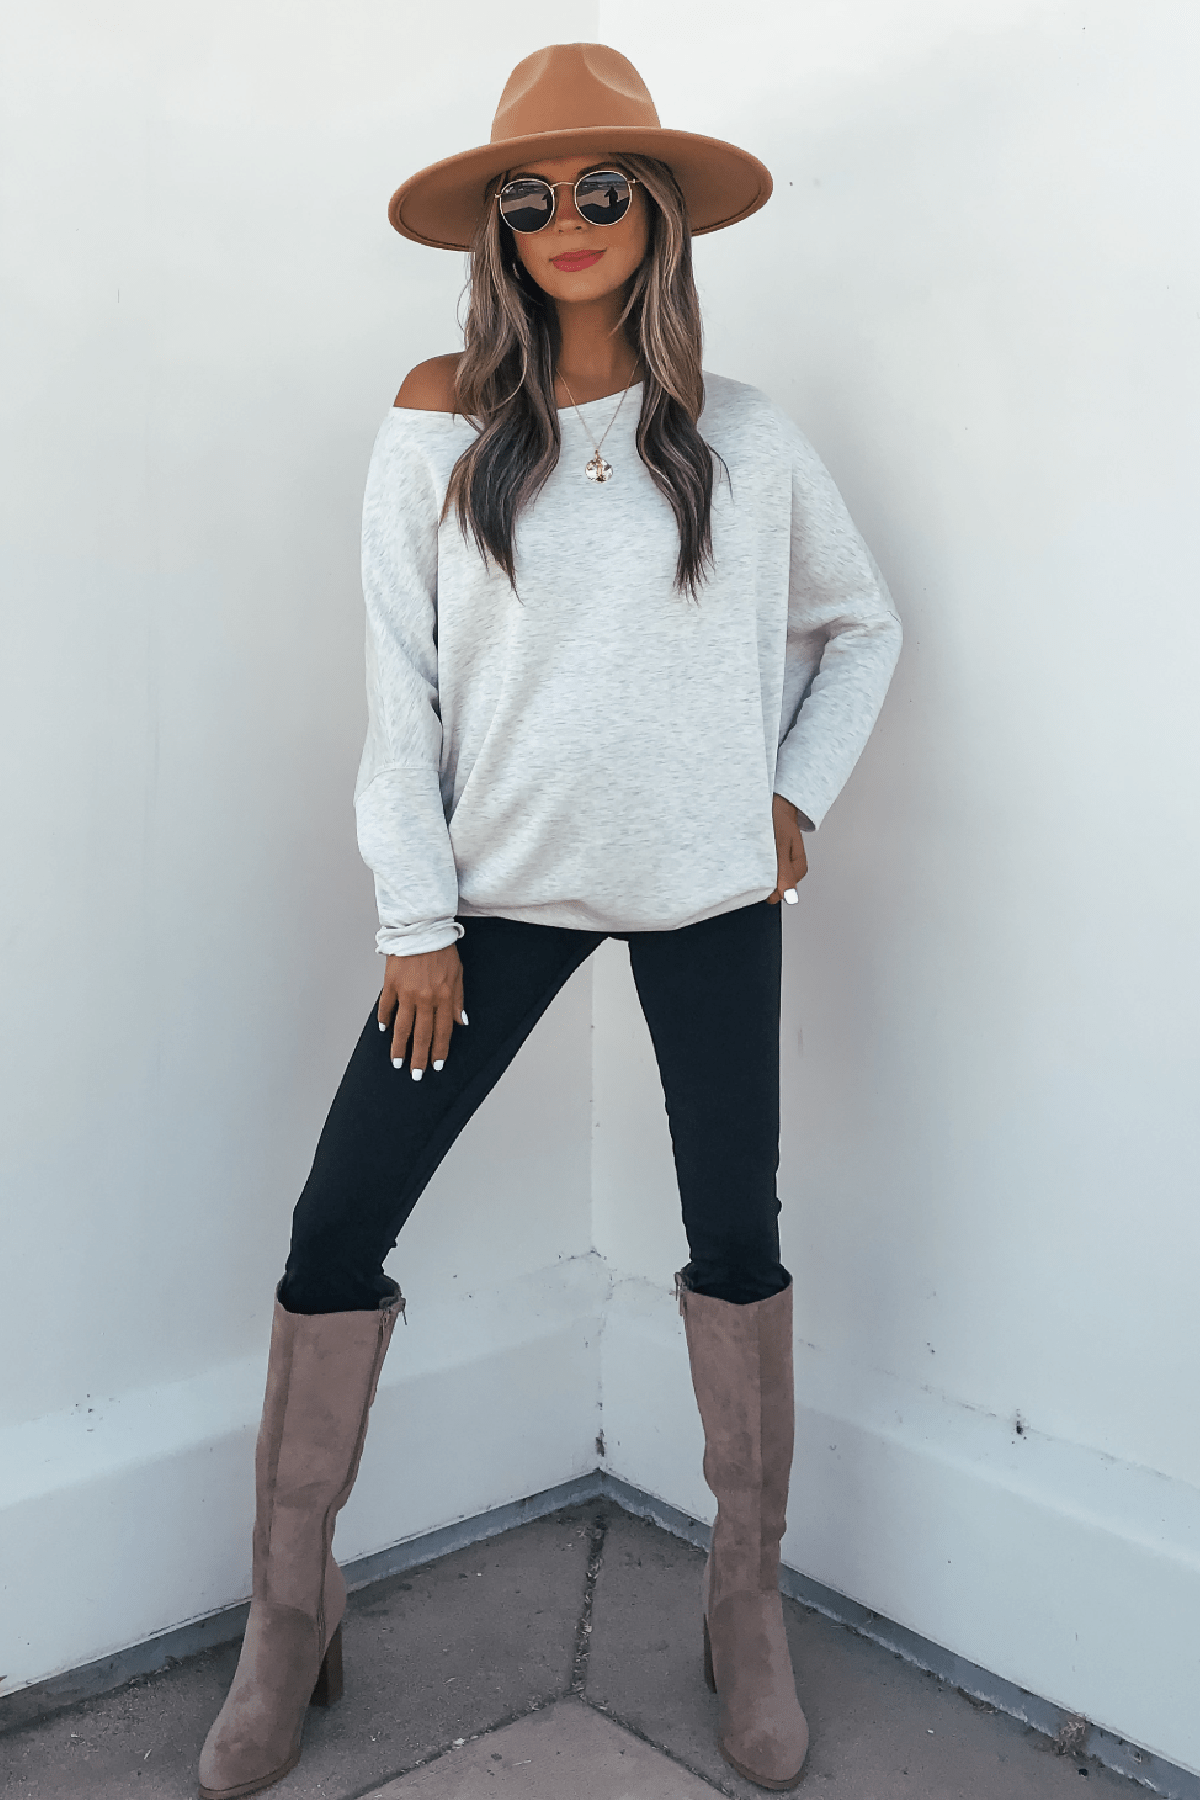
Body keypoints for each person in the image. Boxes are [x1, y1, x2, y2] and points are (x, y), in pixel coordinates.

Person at [198, 42, 902, 1800]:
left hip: (706, 895)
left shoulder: (743, 435)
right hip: (489, 898)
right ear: (496, 233)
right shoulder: (441, 412)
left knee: (734, 1233)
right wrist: (413, 913)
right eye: (532, 198)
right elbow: (403, 680)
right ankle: (292, 1609)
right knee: (335, 1222)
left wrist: (795, 797)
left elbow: (861, 627)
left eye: (603, 192)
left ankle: (744, 1606)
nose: (569, 221)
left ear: (656, 218)